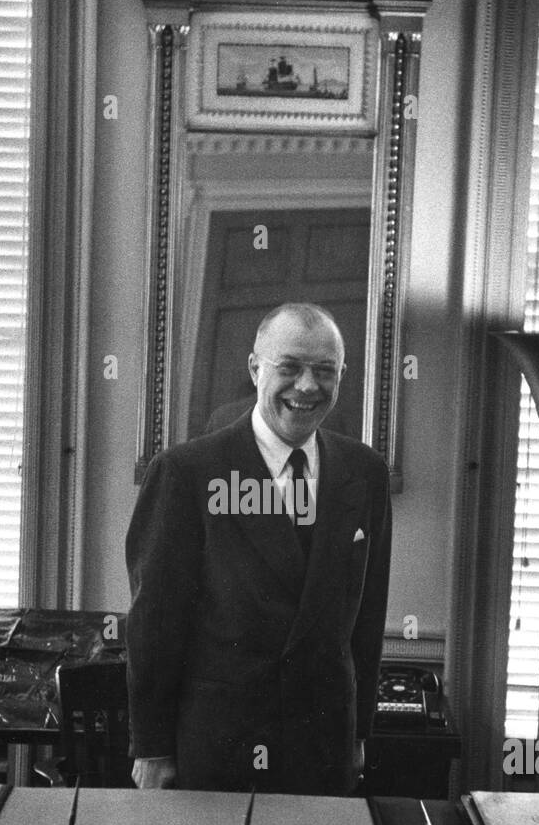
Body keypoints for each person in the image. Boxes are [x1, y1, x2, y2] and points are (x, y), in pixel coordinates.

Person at [125, 302, 392, 794]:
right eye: (289, 368)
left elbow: (368, 617)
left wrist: (359, 731)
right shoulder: (187, 472)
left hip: (323, 748)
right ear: (255, 369)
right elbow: (154, 623)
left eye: (324, 371)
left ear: (342, 376)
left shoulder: (365, 473)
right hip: (218, 745)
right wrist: (153, 747)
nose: (307, 386)